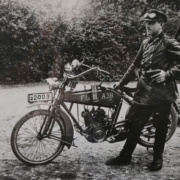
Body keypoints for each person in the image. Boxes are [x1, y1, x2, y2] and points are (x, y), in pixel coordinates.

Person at [106, 9, 180, 171]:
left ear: (161, 24)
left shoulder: (168, 43)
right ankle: (125, 156)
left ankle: (157, 160)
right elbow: (135, 65)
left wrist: (167, 75)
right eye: (147, 22)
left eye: (152, 23)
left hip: (162, 95)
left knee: (160, 127)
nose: (148, 25)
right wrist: (120, 83)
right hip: (144, 93)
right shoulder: (145, 43)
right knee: (133, 125)